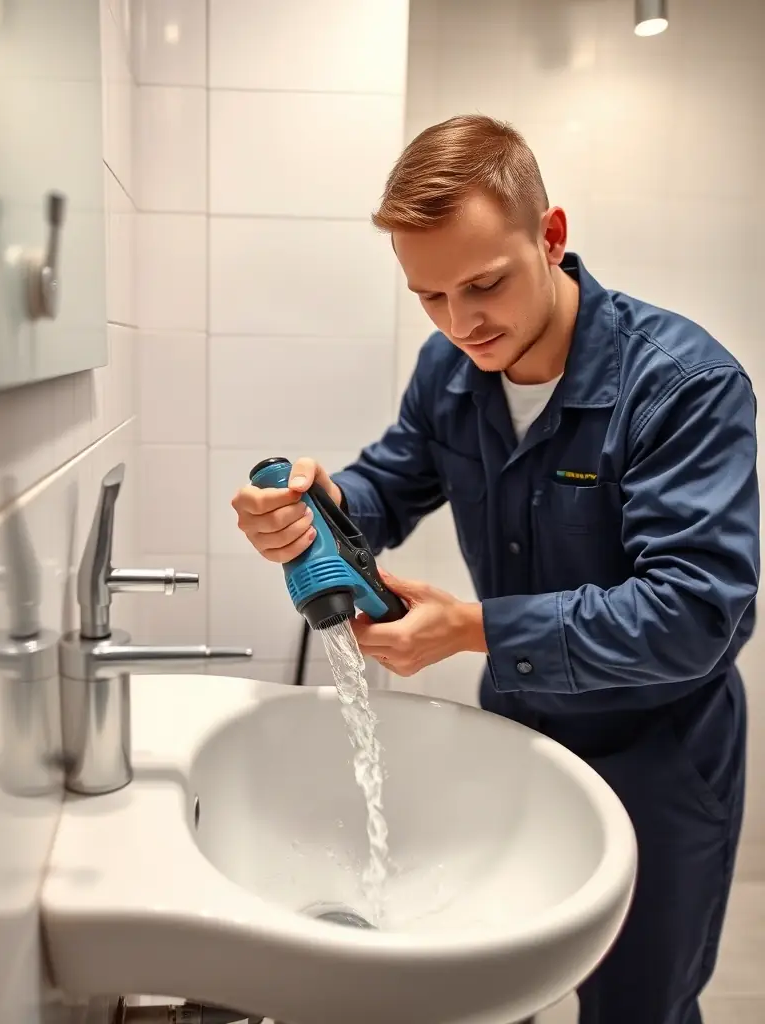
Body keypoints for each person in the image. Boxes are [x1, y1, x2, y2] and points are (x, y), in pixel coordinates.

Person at [232, 115, 759, 1024]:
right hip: (521, 733)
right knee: (495, 975)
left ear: (551, 236)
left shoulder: (683, 386)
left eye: (483, 284)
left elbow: (696, 614)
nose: (460, 322)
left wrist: (475, 628)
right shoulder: (450, 370)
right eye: (429, 296)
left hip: (660, 758)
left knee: (639, 1008)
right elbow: (391, 483)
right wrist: (313, 509)